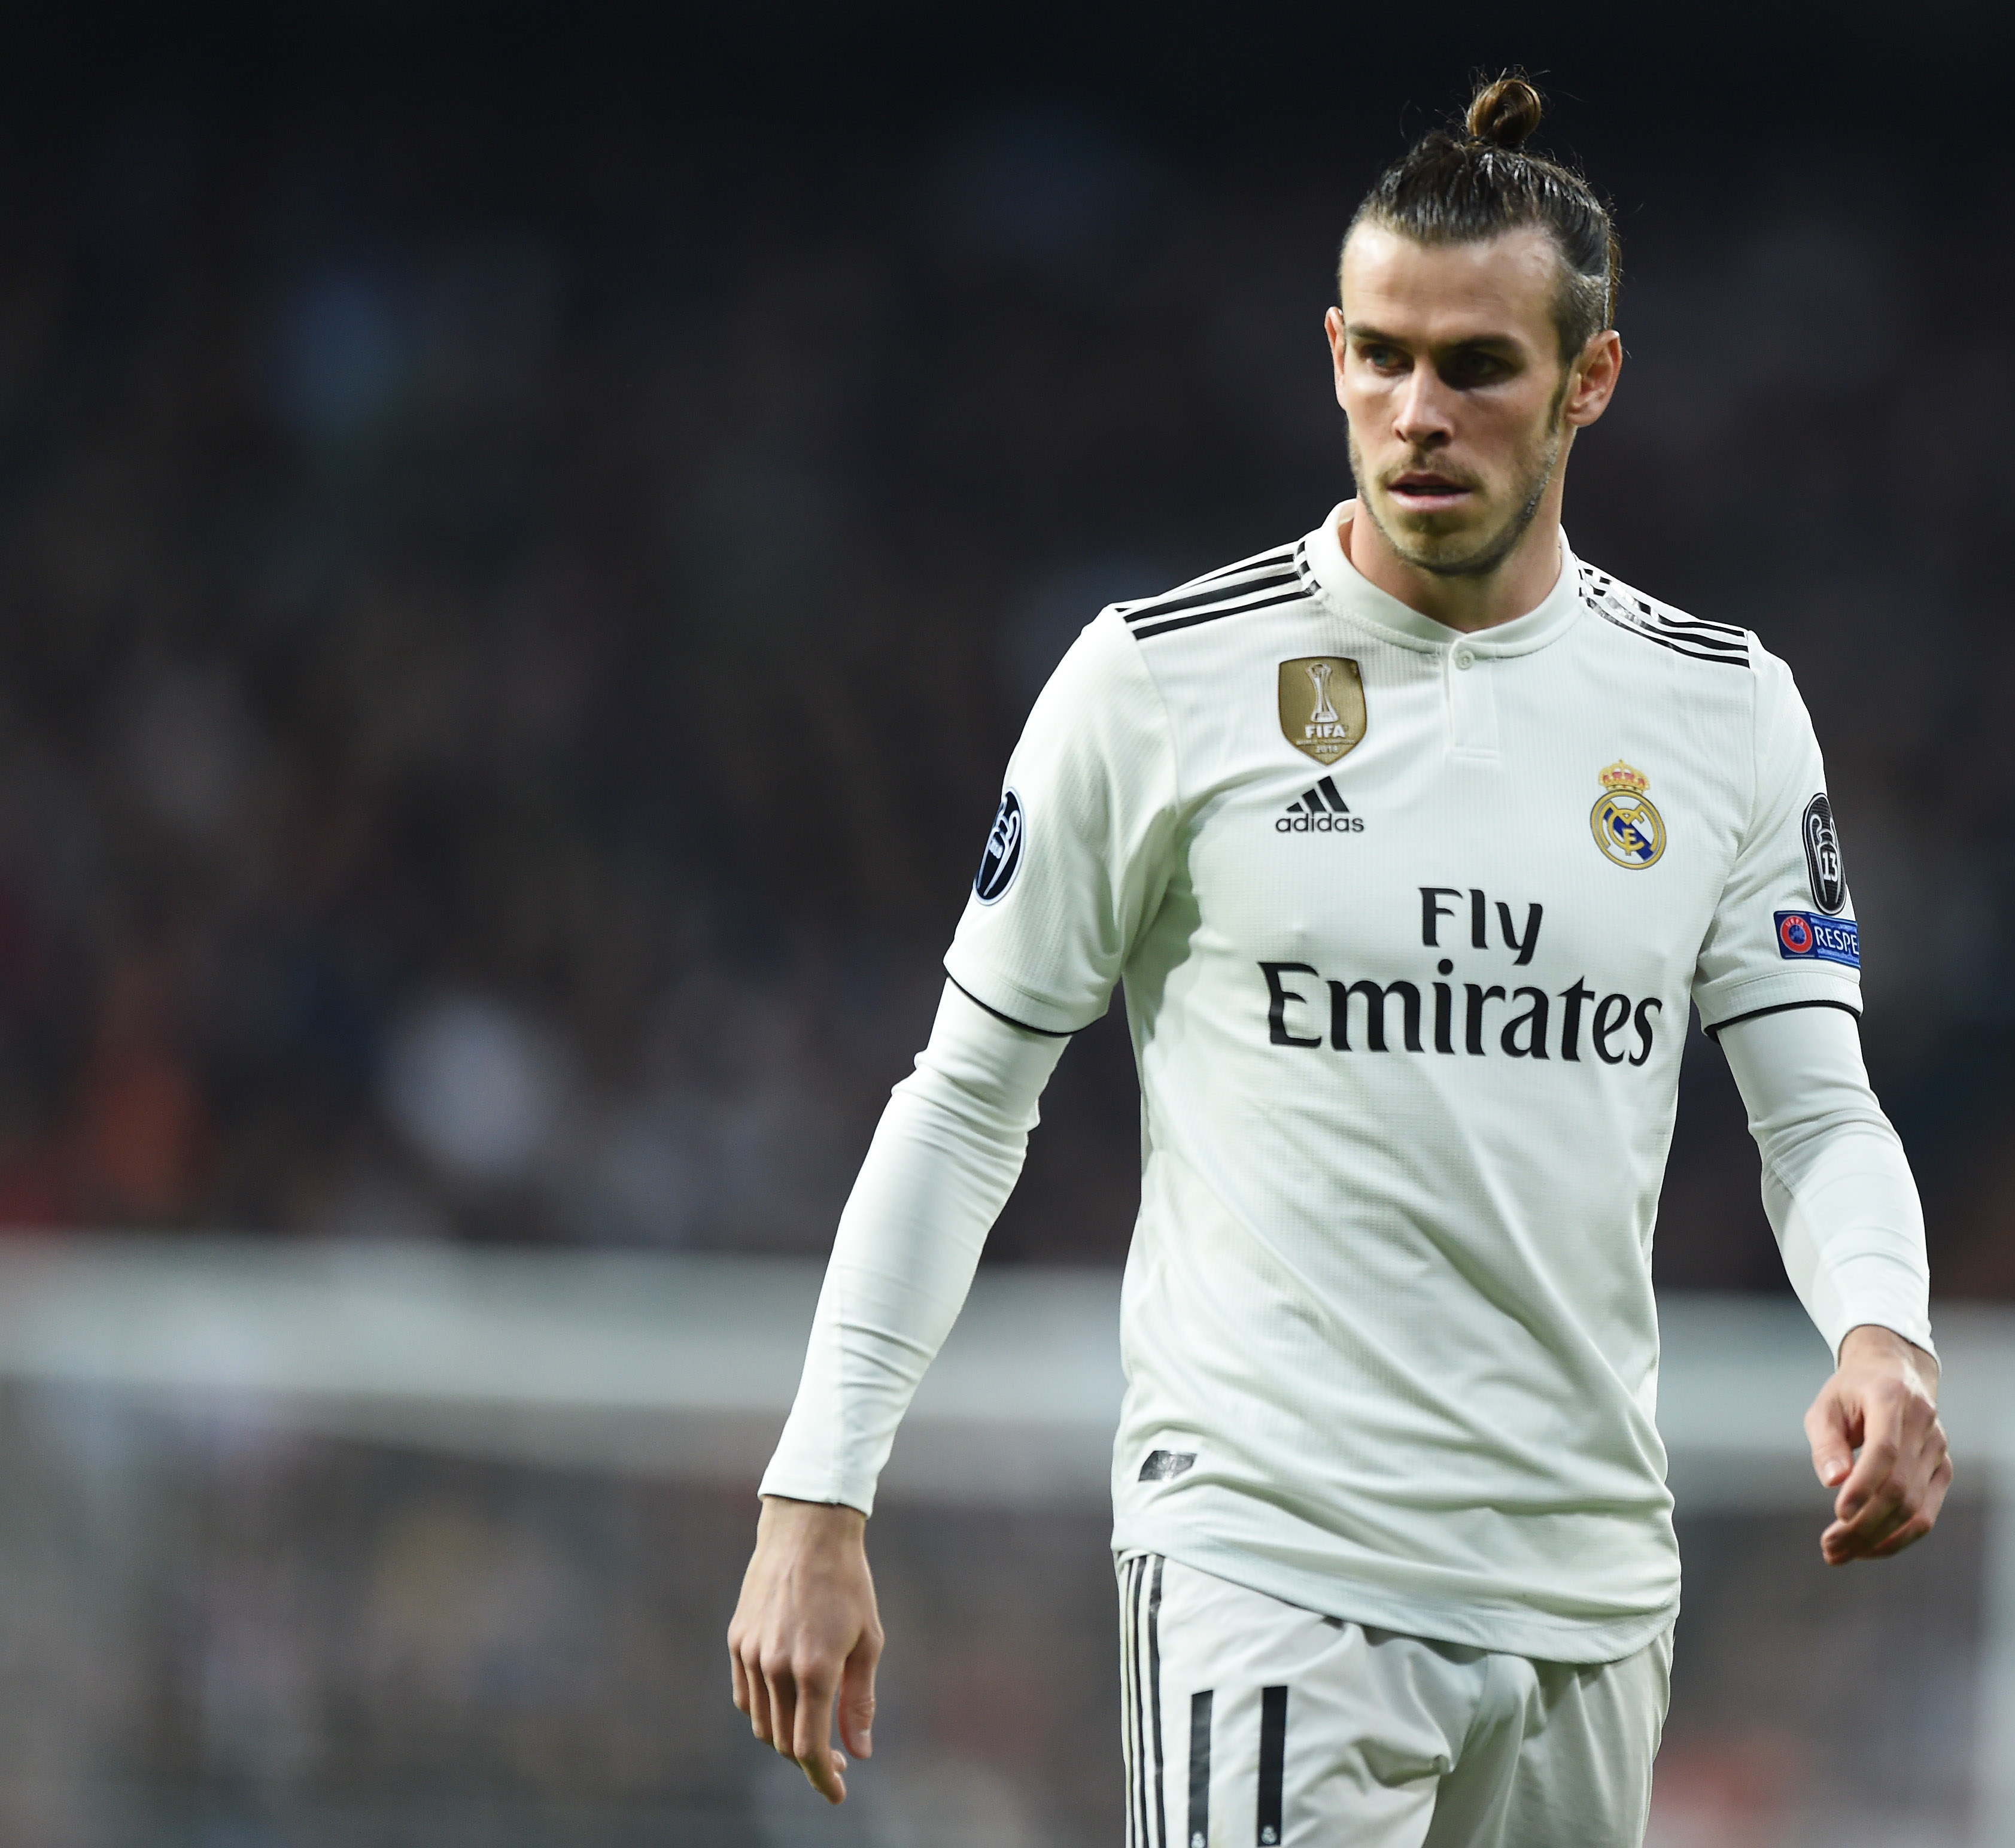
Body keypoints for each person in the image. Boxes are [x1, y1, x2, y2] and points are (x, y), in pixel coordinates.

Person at [728, 73, 1950, 1847]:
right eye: (1378, 357)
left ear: (1588, 382)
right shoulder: (1160, 682)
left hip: (1588, 1588)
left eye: (1475, 367)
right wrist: (813, 1498)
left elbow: (1816, 1110)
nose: (1415, 410)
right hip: (1275, 1558)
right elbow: (963, 1103)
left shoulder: (1723, 715)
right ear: (1328, 355)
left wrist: (1884, 1331)